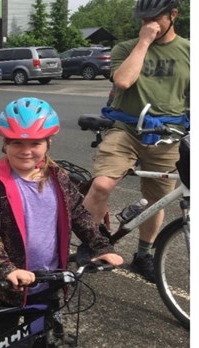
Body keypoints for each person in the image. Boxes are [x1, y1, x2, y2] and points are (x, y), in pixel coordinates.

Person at [0, 97, 124, 340]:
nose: (26, 150)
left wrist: (99, 245)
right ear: (4, 143)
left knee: (42, 332)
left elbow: (79, 214)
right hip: (9, 281)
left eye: (35, 142)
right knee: (6, 335)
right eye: (17, 142)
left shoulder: (58, 176)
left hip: (49, 277)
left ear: (48, 143)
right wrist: (4, 267)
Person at [82, 0, 189, 283]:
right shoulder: (126, 48)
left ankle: (143, 254)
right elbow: (124, 81)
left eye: (154, 18)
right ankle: (91, 245)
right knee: (102, 184)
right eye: (142, 19)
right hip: (126, 129)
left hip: (167, 136)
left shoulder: (189, 51)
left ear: (173, 15)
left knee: (158, 199)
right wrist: (144, 42)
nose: (147, 23)